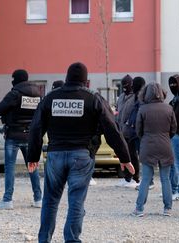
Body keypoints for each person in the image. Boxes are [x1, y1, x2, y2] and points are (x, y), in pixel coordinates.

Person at [27, 62, 134, 243]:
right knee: (76, 201)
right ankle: (72, 239)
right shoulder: (93, 98)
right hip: (81, 155)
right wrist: (124, 157)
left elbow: (36, 127)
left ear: (67, 77)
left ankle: (44, 239)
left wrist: (32, 155)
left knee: (50, 201)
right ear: (86, 80)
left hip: (55, 155)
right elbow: (111, 129)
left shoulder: (51, 98)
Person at [0, 69, 42, 210]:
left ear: (16, 79)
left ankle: (7, 200)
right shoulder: (38, 94)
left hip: (14, 135)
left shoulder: (15, 93)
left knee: (10, 168)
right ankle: (38, 199)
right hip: (31, 136)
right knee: (33, 167)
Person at [132, 82, 177, 217]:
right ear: (162, 93)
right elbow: (174, 129)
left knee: (145, 179)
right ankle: (167, 208)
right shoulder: (169, 108)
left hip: (147, 145)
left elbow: (138, 131)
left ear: (146, 93)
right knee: (165, 179)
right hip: (165, 145)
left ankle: (139, 209)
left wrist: (145, 137)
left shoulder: (143, 109)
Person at [118, 76, 146, 188]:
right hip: (124, 131)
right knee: (127, 155)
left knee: (137, 156)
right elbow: (121, 113)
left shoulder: (138, 98)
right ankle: (128, 178)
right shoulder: (122, 97)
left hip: (136, 132)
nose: (125, 87)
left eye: (128, 85)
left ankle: (136, 178)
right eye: (123, 85)